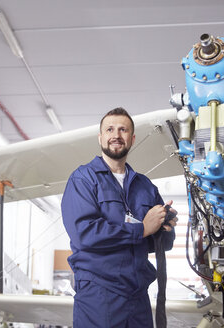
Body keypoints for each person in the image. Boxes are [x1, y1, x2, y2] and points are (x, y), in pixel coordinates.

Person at [61, 107, 177, 327]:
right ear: (101, 137)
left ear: (132, 138)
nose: (116, 135)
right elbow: (84, 234)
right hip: (98, 293)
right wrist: (142, 229)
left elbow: (156, 244)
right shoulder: (83, 179)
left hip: (137, 295)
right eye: (110, 129)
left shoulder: (145, 186)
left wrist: (164, 227)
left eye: (123, 130)